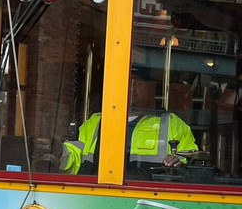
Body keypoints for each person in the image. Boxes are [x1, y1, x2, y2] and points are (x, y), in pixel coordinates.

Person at [59, 65, 198, 175]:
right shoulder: (95, 121)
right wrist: (57, 151)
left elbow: (192, 166)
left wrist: (179, 164)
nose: (131, 87)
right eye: (126, 81)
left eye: (138, 83)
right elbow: (73, 159)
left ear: (151, 87)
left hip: (151, 201)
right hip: (97, 198)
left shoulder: (174, 124)